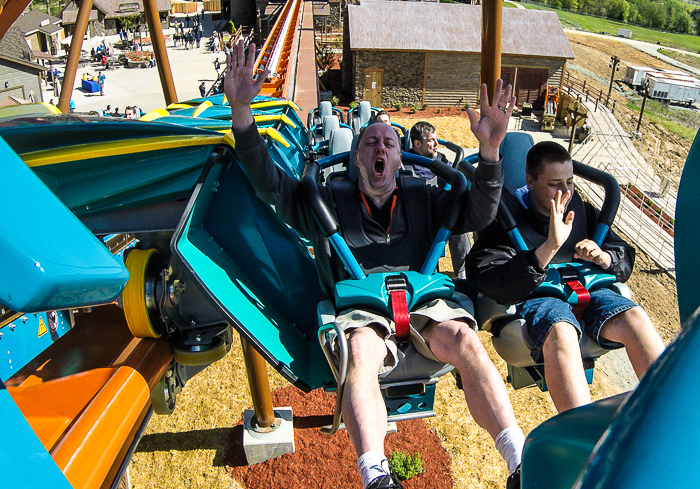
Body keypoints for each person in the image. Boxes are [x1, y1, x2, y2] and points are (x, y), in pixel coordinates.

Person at [224, 40, 523, 489]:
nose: (380, 147)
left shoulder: (423, 196)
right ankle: (375, 476)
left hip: (423, 303)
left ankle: (518, 459)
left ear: (400, 160)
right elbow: (271, 186)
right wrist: (242, 114)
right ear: (356, 159)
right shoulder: (327, 199)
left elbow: (477, 214)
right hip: (362, 310)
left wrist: (492, 150)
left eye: (388, 142)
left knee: (464, 336)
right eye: (370, 143)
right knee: (360, 352)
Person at [466, 141, 666, 413]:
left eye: (570, 182)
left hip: (587, 290)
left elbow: (623, 254)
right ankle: (580, 432)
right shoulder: (507, 219)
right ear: (531, 182)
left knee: (635, 317)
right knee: (562, 329)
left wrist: (603, 257)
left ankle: (669, 410)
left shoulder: (581, 211)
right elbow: (488, 277)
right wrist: (547, 249)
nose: (565, 192)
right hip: (539, 297)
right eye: (554, 184)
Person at [409, 121, 471, 279]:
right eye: (430, 140)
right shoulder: (406, 165)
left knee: (458, 221)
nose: (436, 144)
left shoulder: (443, 163)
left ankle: (464, 272)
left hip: (441, 214)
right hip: (416, 215)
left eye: (436, 139)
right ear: (417, 143)